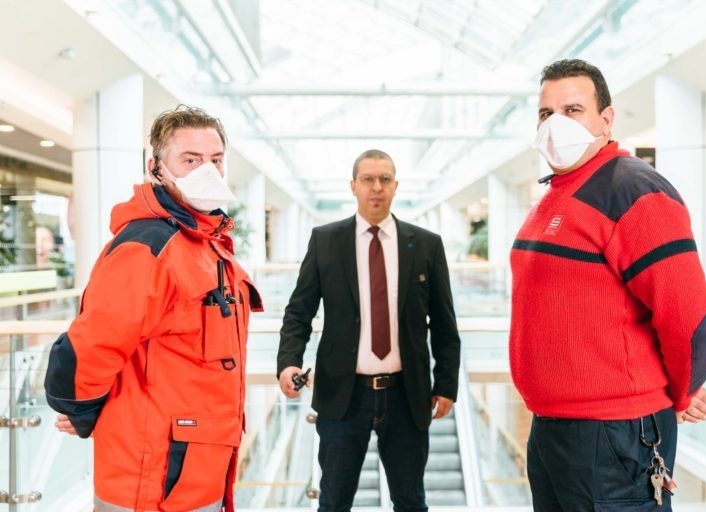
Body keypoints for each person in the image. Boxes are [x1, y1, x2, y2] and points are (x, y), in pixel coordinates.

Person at [509, 59, 706, 511]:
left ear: (605, 120)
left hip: (612, 437)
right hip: (554, 429)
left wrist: (681, 393)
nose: (556, 125)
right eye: (546, 114)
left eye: (573, 110)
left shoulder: (633, 190)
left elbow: (694, 324)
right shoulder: (559, 192)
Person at [44, 105, 263, 512]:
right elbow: (88, 347)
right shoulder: (149, 248)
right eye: (191, 160)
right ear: (156, 168)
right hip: (153, 477)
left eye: (215, 160)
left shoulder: (204, 242)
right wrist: (81, 410)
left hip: (200, 467)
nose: (208, 170)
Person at [277, 149, 461, 512]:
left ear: (395, 186)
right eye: (368, 179)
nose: (377, 187)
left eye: (385, 179)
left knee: (410, 501)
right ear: (353, 186)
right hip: (343, 397)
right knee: (333, 501)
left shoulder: (425, 244)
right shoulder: (326, 240)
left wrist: (446, 385)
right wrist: (288, 362)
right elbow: (299, 311)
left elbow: (444, 324)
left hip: (407, 396)